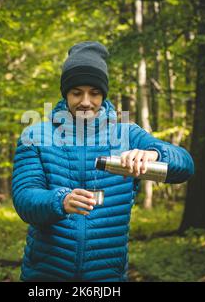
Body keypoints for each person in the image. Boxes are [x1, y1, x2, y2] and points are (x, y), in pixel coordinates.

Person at [12, 41, 194, 281]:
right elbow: (25, 198)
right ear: (65, 93)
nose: (86, 101)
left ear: (103, 94)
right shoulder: (35, 137)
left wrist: (155, 154)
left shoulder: (127, 135)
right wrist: (60, 200)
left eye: (94, 93)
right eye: (77, 92)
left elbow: (186, 165)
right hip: (46, 274)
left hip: (106, 276)